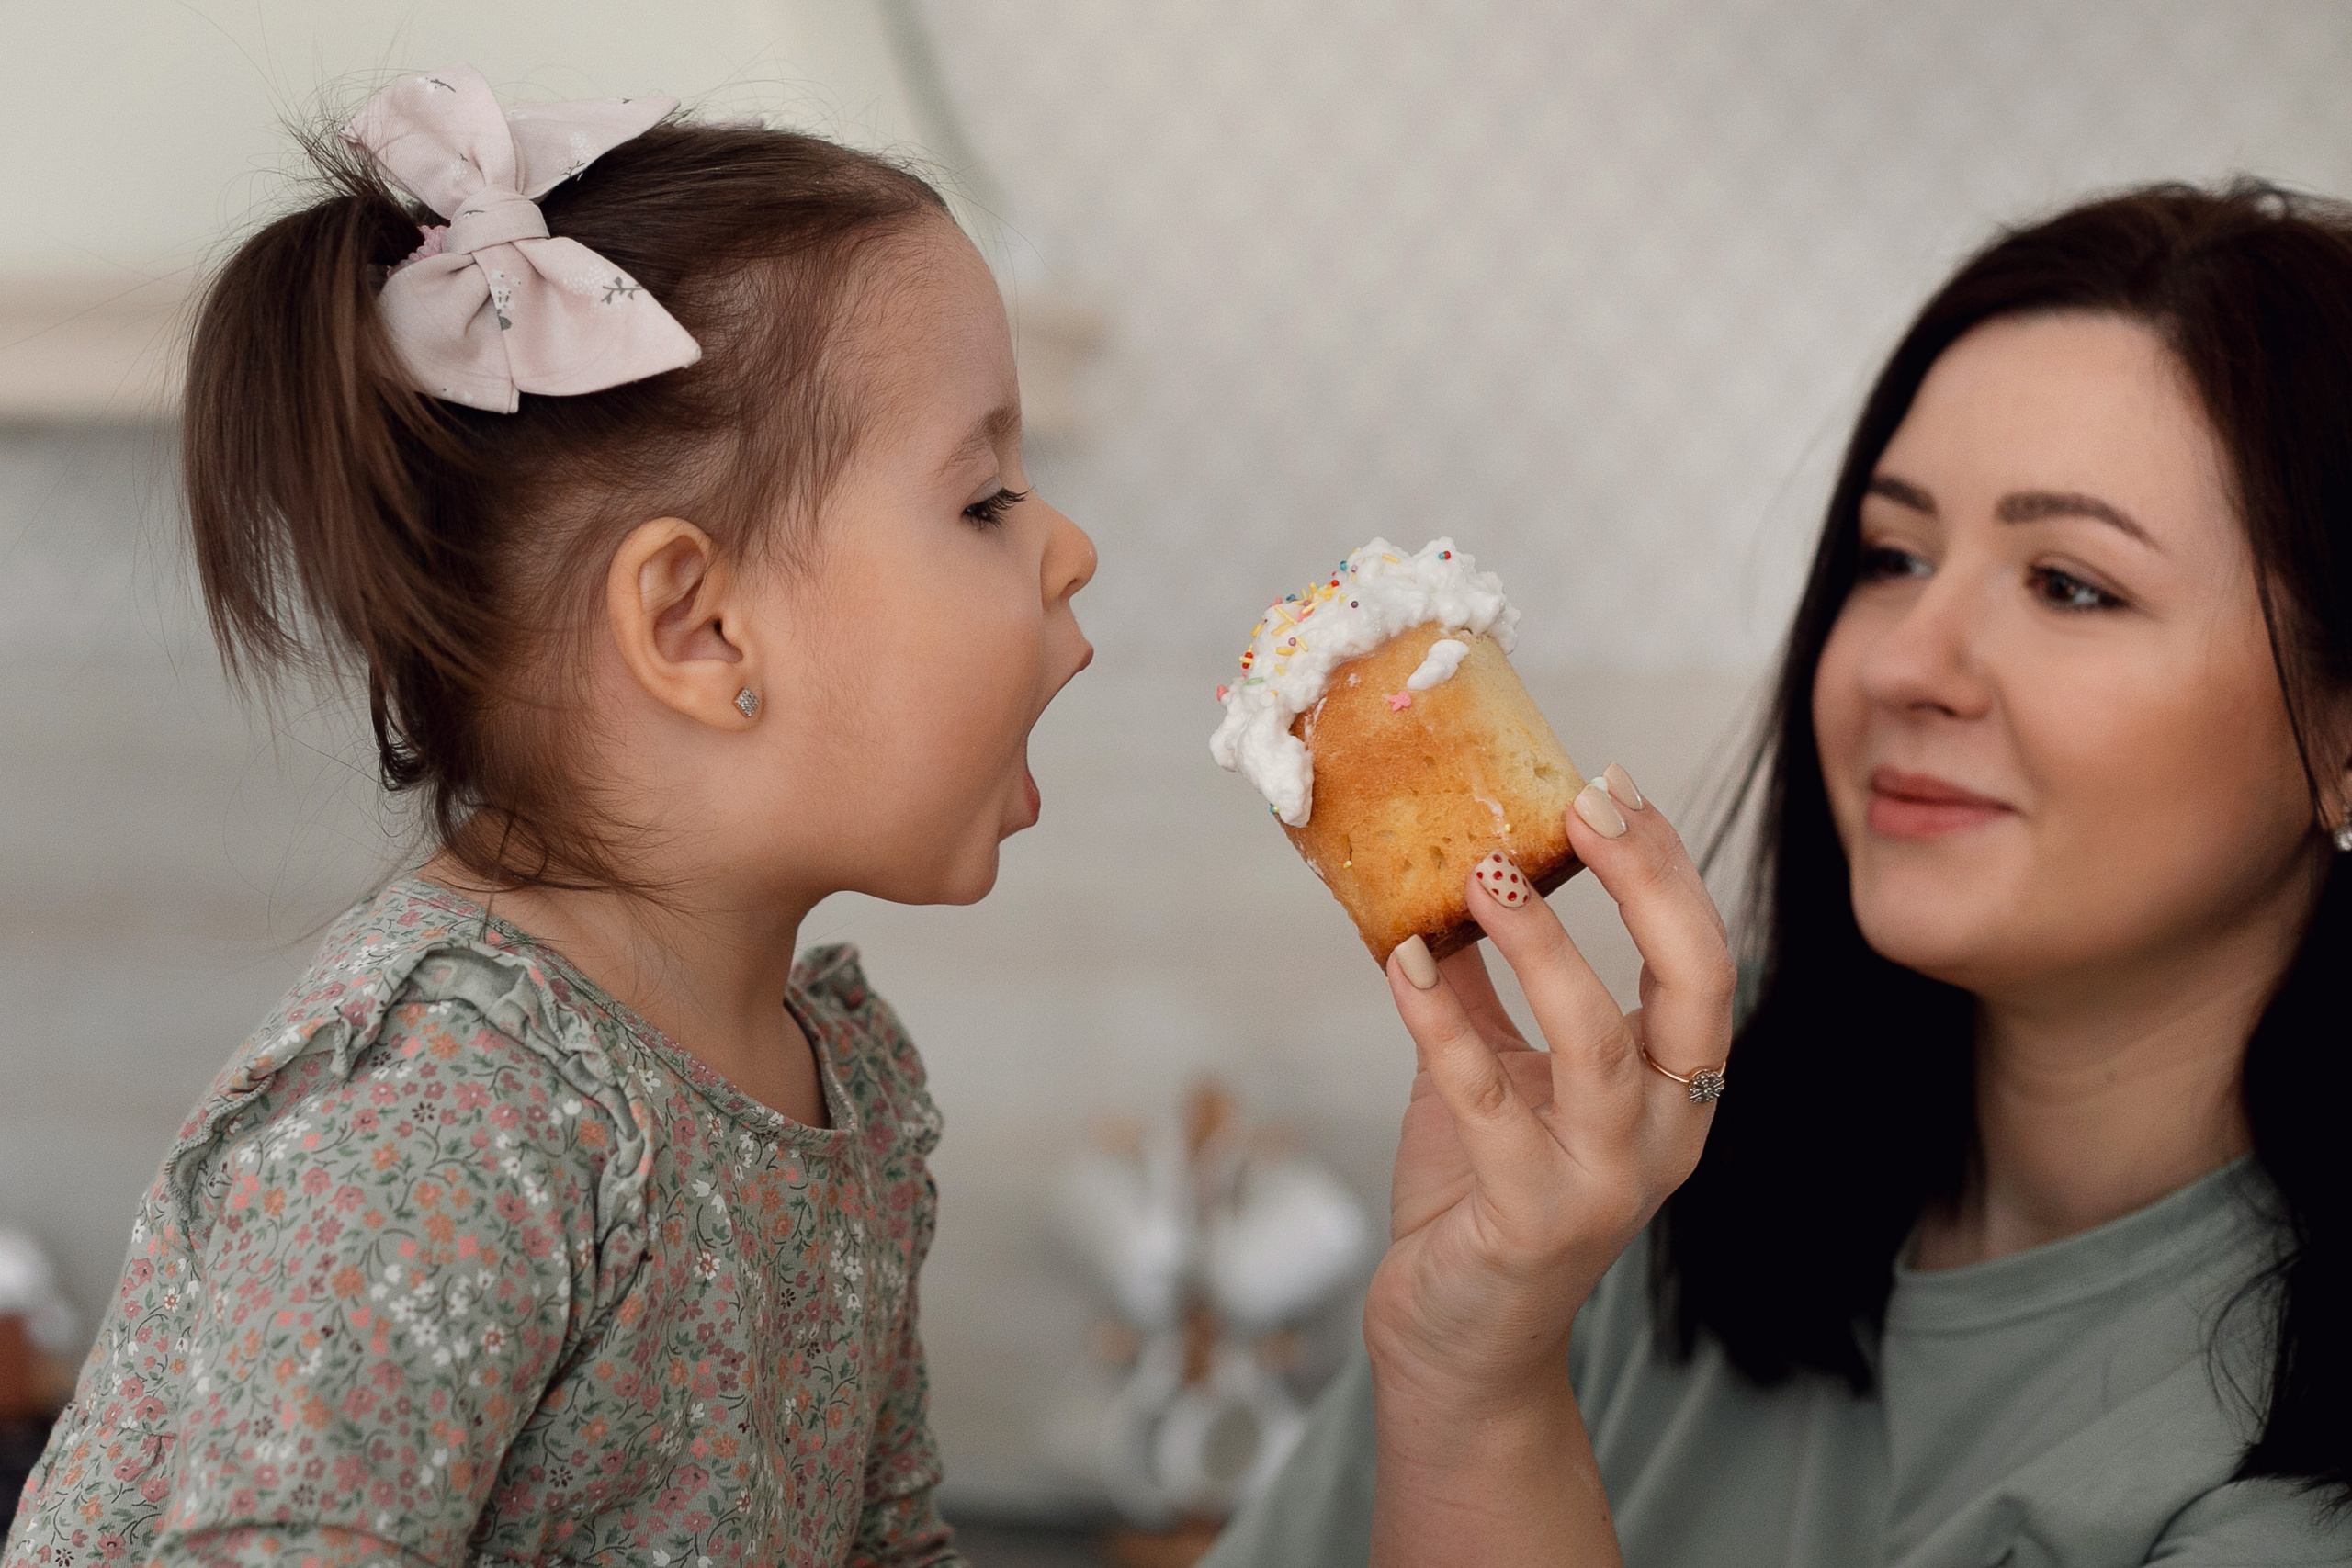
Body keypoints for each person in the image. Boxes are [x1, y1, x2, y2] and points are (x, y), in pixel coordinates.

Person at [2, 64, 1094, 1567]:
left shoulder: (851, 1091)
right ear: (700, 630)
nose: (1070, 549)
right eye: (984, 502)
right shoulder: (444, 1124)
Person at [1205, 181, 2352, 1566]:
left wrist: (1483, 1413)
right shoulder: (1621, 1187)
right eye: (1891, 555)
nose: (1901, 662)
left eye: (2071, 585)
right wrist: (1471, 1348)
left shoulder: (2283, 1490)